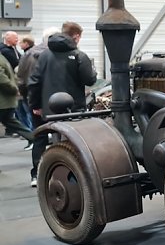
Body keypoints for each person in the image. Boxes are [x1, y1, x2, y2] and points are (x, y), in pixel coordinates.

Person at [28, 22, 97, 187]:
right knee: (73, 143)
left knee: (41, 139)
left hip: (48, 108)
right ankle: (73, 178)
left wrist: (35, 105)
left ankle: (38, 175)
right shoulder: (79, 55)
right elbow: (90, 79)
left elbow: (34, 81)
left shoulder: (44, 55)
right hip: (73, 110)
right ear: (76, 36)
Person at [17, 27, 60, 146]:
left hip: (32, 98)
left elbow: (21, 78)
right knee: (58, 131)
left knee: (39, 134)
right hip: (55, 99)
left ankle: (38, 157)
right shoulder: (56, 54)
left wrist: (28, 98)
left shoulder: (28, 54)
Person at [0, 53, 33, 146]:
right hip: (6, 100)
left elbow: (2, 79)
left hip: (3, 100)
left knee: (10, 121)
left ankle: (34, 138)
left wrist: (14, 89)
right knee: (11, 122)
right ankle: (33, 137)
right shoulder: (2, 57)